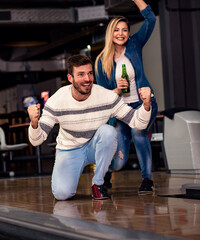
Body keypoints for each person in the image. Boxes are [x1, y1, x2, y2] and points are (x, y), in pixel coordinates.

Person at [27, 54, 152, 200]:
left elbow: (137, 122)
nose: (87, 79)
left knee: (108, 132)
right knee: (62, 194)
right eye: (81, 74)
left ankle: (98, 184)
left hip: (95, 146)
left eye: (90, 73)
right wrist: (34, 122)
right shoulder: (56, 101)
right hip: (69, 149)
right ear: (70, 78)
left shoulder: (106, 97)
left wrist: (146, 105)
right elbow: (37, 140)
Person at [95, 0, 158, 194]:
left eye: (124, 30)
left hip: (142, 104)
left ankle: (147, 179)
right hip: (120, 111)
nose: (121, 33)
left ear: (128, 33)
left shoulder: (135, 44)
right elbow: (103, 97)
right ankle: (107, 173)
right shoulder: (101, 62)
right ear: (110, 33)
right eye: (116, 30)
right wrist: (116, 90)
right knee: (119, 161)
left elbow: (150, 19)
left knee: (139, 134)